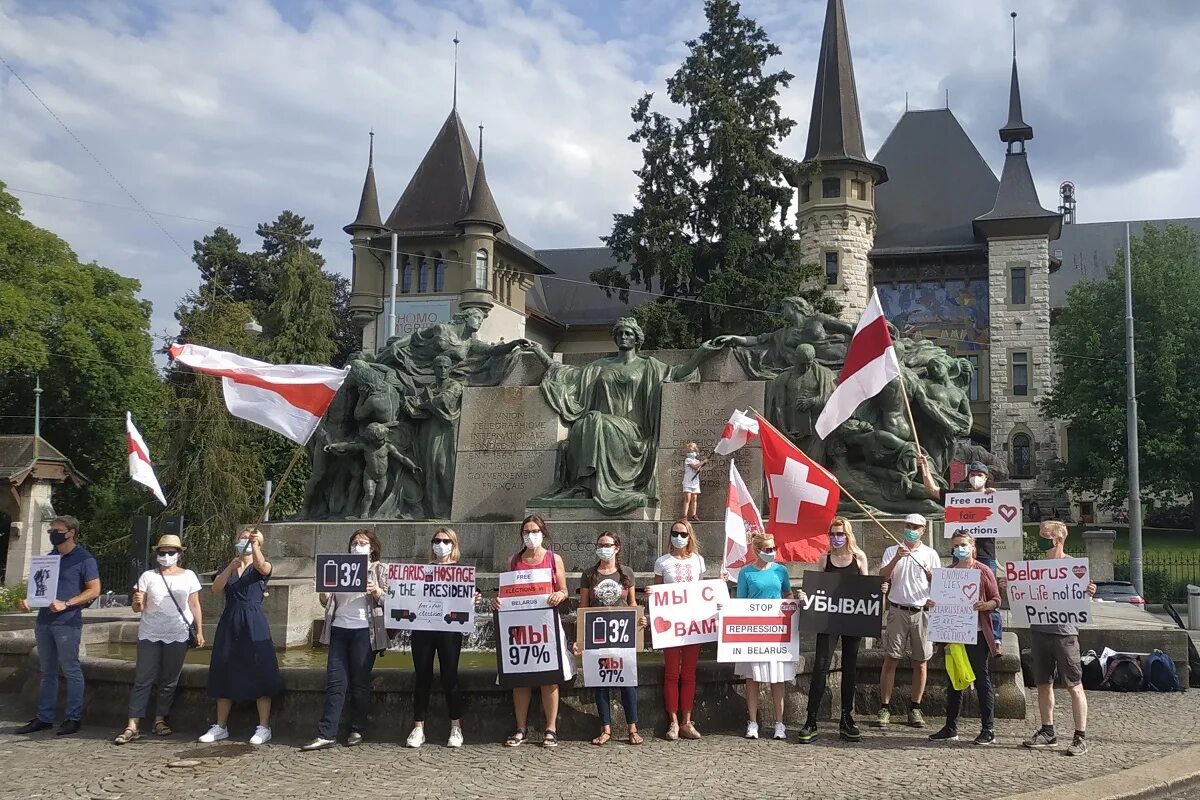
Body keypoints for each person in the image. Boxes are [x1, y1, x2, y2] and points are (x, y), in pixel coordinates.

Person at [302, 529, 389, 751]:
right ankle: (326, 733)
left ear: (372, 548)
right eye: (354, 542)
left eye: (363, 543)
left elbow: (394, 601)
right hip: (339, 629)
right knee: (335, 682)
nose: (358, 546)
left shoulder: (380, 570)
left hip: (364, 631)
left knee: (360, 683)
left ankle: (358, 728)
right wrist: (322, 592)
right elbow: (327, 601)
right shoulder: (338, 567)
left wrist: (377, 592)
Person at [114, 535, 203, 744]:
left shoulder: (188, 576)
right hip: (150, 631)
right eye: (162, 552)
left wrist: (199, 630)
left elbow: (195, 604)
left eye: (171, 552)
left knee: (169, 679)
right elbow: (138, 608)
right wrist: (136, 602)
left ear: (179, 554)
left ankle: (160, 719)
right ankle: (132, 724)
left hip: (178, 631)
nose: (166, 556)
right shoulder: (148, 576)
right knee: (143, 678)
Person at [16, 515, 101, 736]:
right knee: (47, 672)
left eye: (56, 529)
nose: (53, 533)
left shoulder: (84, 559)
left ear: (71, 532)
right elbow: (40, 588)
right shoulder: (49, 558)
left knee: (71, 669)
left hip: (68, 623)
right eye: (51, 530)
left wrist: (67, 603)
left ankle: (73, 718)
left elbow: (94, 590)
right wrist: (29, 601)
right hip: (44, 621)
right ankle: (44, 717)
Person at [493, 515, 570, 748]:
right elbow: (506, 592)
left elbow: (565, 589)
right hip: (520, 624)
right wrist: (497, 601)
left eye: (534, 531)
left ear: (543, 532)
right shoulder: (514, 560)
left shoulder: (553, 559)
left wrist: (560, 594)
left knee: (550, 678)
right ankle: (520, 728)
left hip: (545, 624)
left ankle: (550, 729)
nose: (530, 535)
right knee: (520, 679)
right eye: (526, 531)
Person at [200, 527, 282, 745]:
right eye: (242, 538)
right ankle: (220, 726)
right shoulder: (228, 566)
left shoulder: (260, 567)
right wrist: (229, 568)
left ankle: (264, 727)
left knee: (259, 668)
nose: (245, 541)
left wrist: (255, 546)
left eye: (250, 539)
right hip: (231, 619)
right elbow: (216, 588)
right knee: (223, 667)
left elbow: (263, 567)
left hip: (253, 619)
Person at [1022, 520, 1097, 756]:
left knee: (1074, 685)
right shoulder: (1035, 568)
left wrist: (1089, 593)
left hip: (1065, 633)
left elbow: (1082, 601)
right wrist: (1012, 586)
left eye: (1045, 535)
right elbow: (1025, 596)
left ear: (1058, 539)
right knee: (1043, 683)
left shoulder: (1074, 566)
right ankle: (1048, 730)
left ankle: (1080, 736)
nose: (1041, 538)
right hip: (1040, 630)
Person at [797, 517, 869, 744]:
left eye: (841, 534)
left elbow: (867, 589)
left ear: (848, 535)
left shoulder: (859, 558)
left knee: (850, 668)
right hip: (828, 620)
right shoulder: (824, 559)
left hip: (853, 619)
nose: (836, 538)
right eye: (833, 534)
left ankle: (847, 719)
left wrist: (882, 590)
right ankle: (811, 719)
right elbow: (819, 589)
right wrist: (806, 596)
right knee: (821, 666)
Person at [917, 456, 1003, 643]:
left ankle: (995, 638)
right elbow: (932, 490)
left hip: (985, 555)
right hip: (960, 556)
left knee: (989, 598)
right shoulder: (958, 498)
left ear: (986, 478)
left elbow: (1007, 514)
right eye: (972, 474)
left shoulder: (993, 497)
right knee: (955, 596)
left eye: (980, 475)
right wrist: (924, 467)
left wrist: (993, 496)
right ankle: (957, 631)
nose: (976, 478)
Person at [928, 531, 1001, 746]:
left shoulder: (983, 570)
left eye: (963, 544)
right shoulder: (947, 573)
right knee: (953, 680)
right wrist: (932, 604)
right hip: (954, 634)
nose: (959, 548)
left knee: (981, 679)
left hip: (976, 633)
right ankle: (951, 726)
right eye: (956, 545)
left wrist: (986, 605)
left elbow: (996, 599)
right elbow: (938, 600)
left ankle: (988, 728)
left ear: (973, 547)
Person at [406, 526, 475, 749]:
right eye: (437, 540)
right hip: (423, 628)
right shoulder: (422, 571)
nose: (441, 545)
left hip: (449, 629)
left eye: (446, 541)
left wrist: (472, 598)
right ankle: (418, 727)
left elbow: (469, 599)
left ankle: (456, 726)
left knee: (450, 676)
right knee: (422, 676)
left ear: (454, 545)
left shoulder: (462, 571)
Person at [576, 531, 643, 745]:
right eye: (600, 544)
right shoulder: (589, 574)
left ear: (617, 547)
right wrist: (580, 638)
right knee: (600, 682)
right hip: (598, 636)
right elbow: (583, 607)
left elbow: (632, 604)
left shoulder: (627, 573)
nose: (603, 548)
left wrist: (640, 621)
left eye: (607, 544)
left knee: (628, 683)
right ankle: (605, 729)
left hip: (622, 636)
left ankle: (632, 728)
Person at [877, 513, 943, 728]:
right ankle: (884, 707)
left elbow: (940, 584)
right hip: (897, 610)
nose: (911, 529)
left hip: (921, 611)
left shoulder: (930, 554)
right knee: (891, 659)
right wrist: (897, 557)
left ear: (923, 530)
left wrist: (933, 579)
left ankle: (915, 707)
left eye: (916, 526)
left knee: (921, 661)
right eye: (908, 525)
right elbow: (882, 577)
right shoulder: (891, 550)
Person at [736, 532, 795, 741]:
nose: (772, 552)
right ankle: (752, 722)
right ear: (758, 551)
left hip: (776, 630)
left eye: (773, 548)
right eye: (768, 549)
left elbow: (787, 594)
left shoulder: (781, 570)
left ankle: (780, 723)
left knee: (777, 678)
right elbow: (740, 602)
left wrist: (794, 601)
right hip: (754, 630)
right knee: (752, 678)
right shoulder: (745, 573)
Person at [653, 519, 705, 740]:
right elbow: (657, 590)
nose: (679, 537)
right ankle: (673, 722)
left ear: (690, 536)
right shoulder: (662, 562)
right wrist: (651, 594)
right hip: (670, 624)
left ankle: (687, 721)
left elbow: (703, 591)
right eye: (675, 533)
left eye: (683, 533)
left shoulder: (698, 561)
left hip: (692, 623)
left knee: (690, 673)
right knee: (672, 673)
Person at [681, 443, 706, 521]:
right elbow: (695, 467)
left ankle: (693, 515)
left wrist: (701, 467)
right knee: (687, 498)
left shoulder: (697, 460)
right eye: (689, 450)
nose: (691, 451)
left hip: (695, 482)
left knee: (694, 499)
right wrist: (702, 462)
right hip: (688, 481)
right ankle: (684, 516)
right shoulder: (688, 460)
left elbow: (698, 469)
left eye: (692, 449)